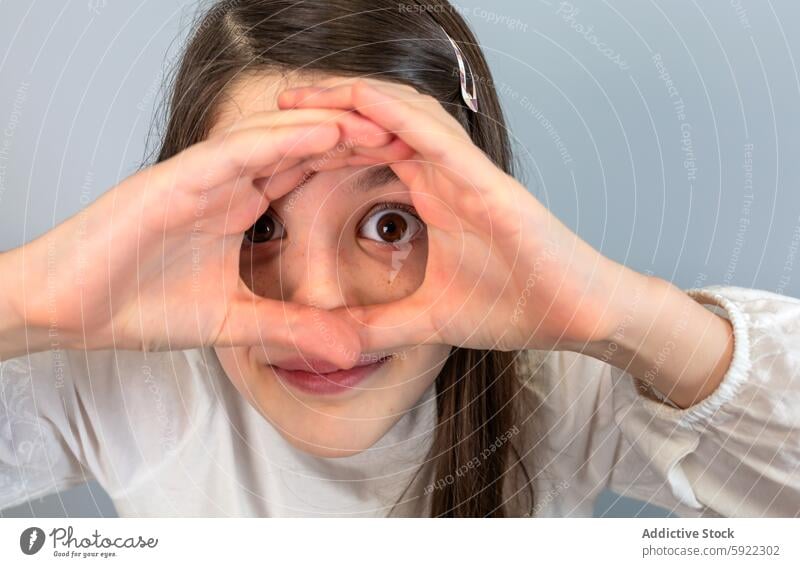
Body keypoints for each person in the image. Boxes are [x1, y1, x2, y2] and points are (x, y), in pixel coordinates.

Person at [1, 0, 798, 518]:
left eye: (389, 224)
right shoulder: (116, 377)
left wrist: (623, 319)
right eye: (258, 227)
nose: (321, 316)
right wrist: (27, 299)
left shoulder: (566, 385)